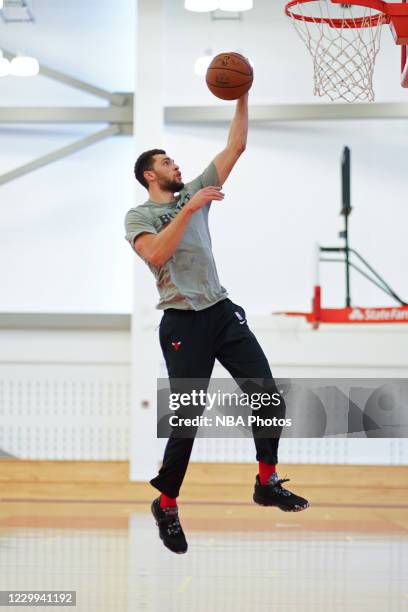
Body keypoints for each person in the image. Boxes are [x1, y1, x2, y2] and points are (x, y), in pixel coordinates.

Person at [124, 92, 309, 555]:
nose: (176, 166)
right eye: (167, 162)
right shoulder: (141, 215)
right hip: (183, 323)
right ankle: (166, 503)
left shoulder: (194, 192)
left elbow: (236, 145)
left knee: (267, 393)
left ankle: (266, 481)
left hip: (222, 313)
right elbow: (155, 254)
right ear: (150, 174)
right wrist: (188, 209)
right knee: (187, 416)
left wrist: (244, 94)